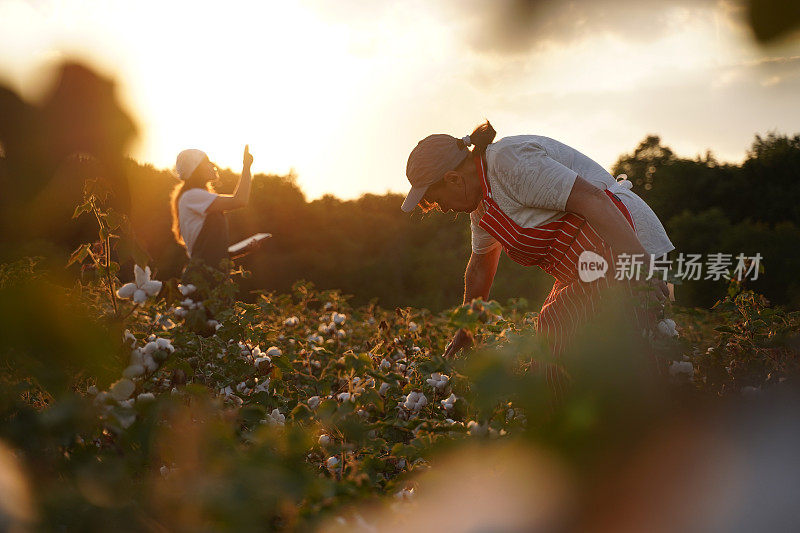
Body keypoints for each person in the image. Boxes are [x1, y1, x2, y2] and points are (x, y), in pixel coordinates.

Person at [402, 122, 675, 395]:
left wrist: (643, 269)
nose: (443, 208)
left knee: (610, 364)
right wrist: (466, 330)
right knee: (556, 358)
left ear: (453, 178)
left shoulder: (509, 161)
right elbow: (480, 268)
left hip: (626, 244)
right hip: (584, 270)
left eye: (437, 200)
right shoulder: (482, 206)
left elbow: (593, 199)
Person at [170, 145, 257, 286]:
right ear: (196, 169)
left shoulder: (196, 197)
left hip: (210, 277)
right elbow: (240, 200)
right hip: (203, 279)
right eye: (207, 162)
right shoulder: (192, 196)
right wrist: (246, 167)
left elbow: (213, 254)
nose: (213, 165)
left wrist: (244, 249)